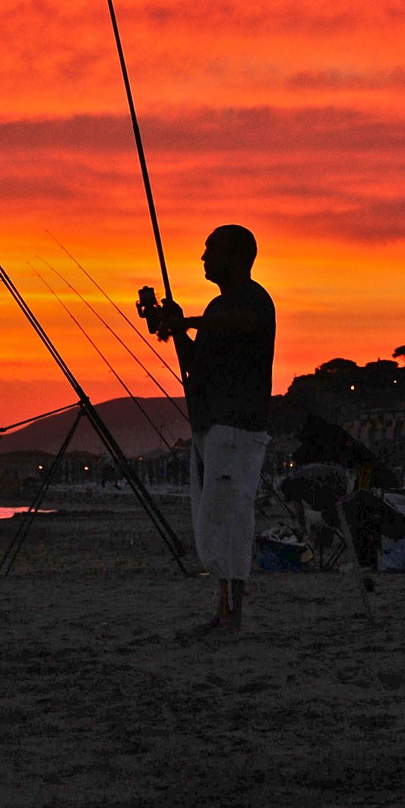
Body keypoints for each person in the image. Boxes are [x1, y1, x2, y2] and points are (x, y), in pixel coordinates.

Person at [157, 224, 276, 633]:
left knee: (229, 518)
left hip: (237, 428)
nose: (203, 258)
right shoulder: (214, 309)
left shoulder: (254, 300)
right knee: (212, 521)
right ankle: (224, 611)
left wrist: (188, 321)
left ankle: (231, 616)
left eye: (211, 250)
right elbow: (196, 363)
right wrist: (178, 330)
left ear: (237, 256)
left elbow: (241, 323)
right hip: (211, 427)